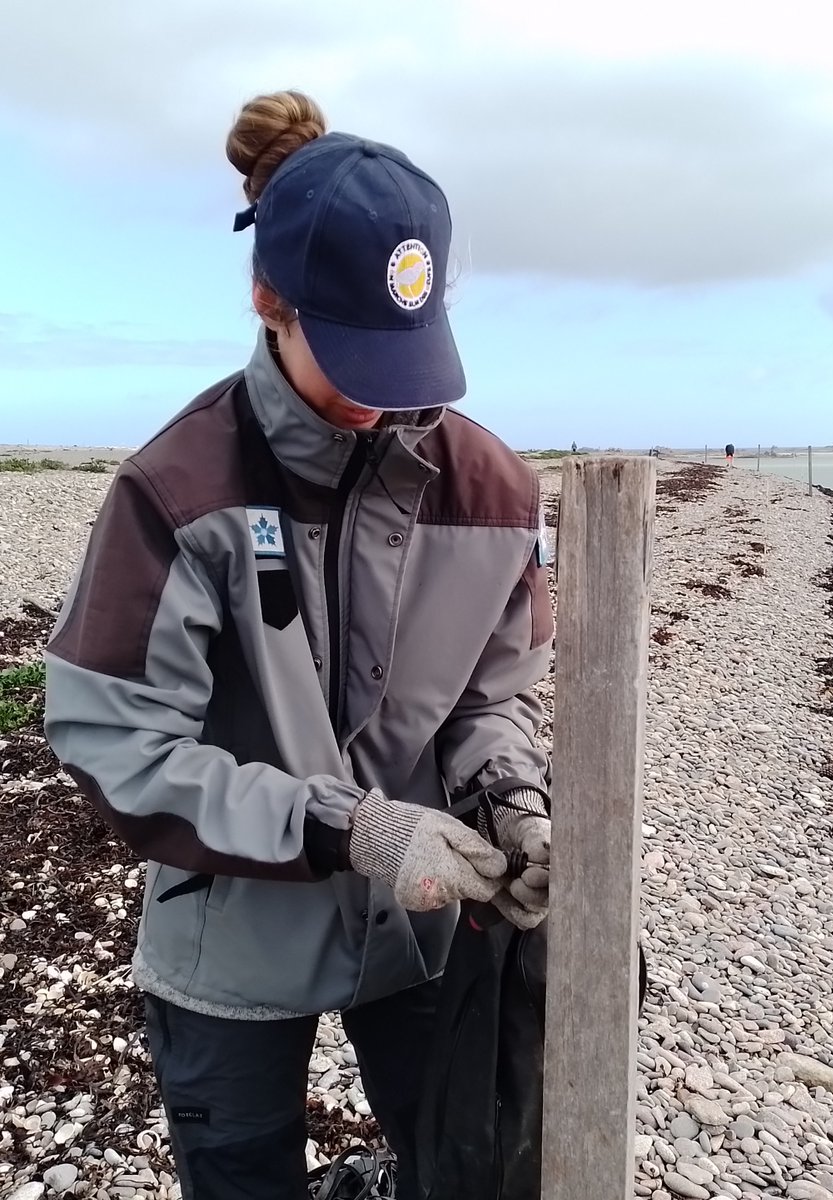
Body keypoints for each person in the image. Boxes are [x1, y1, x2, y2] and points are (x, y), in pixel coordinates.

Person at [43, 90, 555, 1200]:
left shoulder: (494, 489)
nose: (385, 402)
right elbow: (119, 745)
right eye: (355, 357)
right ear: (269, 300)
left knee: (461, 1165)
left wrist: (512, 796)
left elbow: (486, 700)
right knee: (239, 1178)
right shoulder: (175, 489)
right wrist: (352, 827)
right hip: (226, 934)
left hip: (425, 926)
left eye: (407, 354)